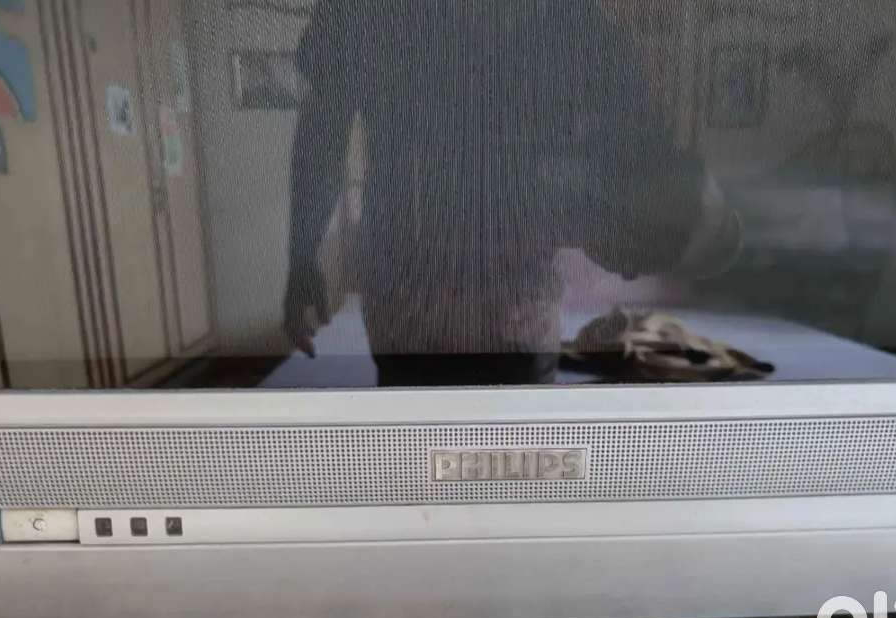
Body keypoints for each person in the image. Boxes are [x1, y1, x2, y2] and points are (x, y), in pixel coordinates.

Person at [284, 0, 734, 386]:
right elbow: (323, 127)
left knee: (452, 436)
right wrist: (302, 253)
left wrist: (303, 253)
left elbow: (322, 127)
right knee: (453, 437)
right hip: (446, 309)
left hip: (453, 308)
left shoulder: (576, 24)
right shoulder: (576, 23)